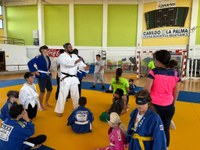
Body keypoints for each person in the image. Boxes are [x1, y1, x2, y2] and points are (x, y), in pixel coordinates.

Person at [144, 50, 180, 148]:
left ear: (158, 61)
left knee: (152, 128)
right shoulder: (175, 73)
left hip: (154, 106)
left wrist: (147, 104)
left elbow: (147, 89)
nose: (154, 61)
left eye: (155, 59)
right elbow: (176, 91)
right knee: (165, 129)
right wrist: (174, 103)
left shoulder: (154, 72)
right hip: (169, 106)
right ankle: (166, 147)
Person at [54, 43, 89, 117]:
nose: (71, 48)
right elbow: (66, 63)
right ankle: (59, 111)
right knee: (63, 95)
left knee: (76, 95)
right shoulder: (61, 56)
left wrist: (85, 67)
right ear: (66, 48)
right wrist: (76, 62)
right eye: (69, 47)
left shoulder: (74, 56)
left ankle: (77, 108)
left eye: (71, 47)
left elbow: (80, 64)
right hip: (65, 78)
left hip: (73, 78)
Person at [27, 45, 52, 110]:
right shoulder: (38, 57)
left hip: (47, 75)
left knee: (50, 89)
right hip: (41, 76)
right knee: (42, 91)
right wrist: (35, 71)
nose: (47, 50)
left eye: (47, 49)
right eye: (45, 49)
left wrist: (49, 70)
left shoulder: (47, 57)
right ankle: (41, 105)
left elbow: (47, 66)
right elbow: (29, 63)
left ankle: (46, 102)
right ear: (42, 50)